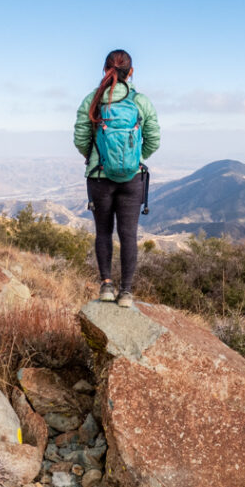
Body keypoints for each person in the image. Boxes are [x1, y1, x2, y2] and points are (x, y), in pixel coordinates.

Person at [73, 49, 160, 308]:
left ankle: (107, 286)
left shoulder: (93, 100)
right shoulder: (140, 102)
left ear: (104, 70)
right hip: (132, 179)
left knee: (103, 232)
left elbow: (80, 138)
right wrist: (133, 159)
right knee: (128, 234)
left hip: (99, 178)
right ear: (130, 72)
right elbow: (154, 140)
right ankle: (126, 292)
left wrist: (99, 158)